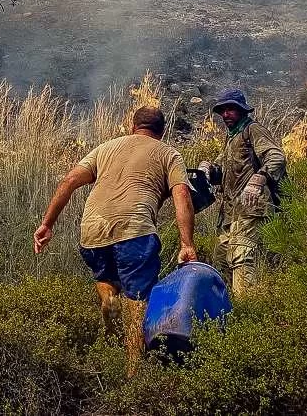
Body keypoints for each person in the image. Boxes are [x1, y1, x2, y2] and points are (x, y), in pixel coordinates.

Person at [33, 105, 197, 370]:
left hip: (93, 230)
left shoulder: (105, 148)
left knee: (108, 282)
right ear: (162, 131)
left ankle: (109, 302)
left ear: (133, 127)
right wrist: (186, 244)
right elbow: (182, 197)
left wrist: (47, 224)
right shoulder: (168, 153)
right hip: (134, 230)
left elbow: (69, 180)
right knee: (137, 302)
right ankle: (133, 370)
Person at [199, 88, 286, 296]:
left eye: (231, 109)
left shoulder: (252, 130)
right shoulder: (232, 137)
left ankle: (246, 310)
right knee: (220, 261)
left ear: (242, 110)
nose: (226, 114)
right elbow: (226, 171)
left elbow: (277, 157)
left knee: (242, 258)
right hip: (230, 214)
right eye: (223, 110)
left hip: (250, 209)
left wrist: (259, 178)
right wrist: (208, 170)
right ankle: (226, 314)